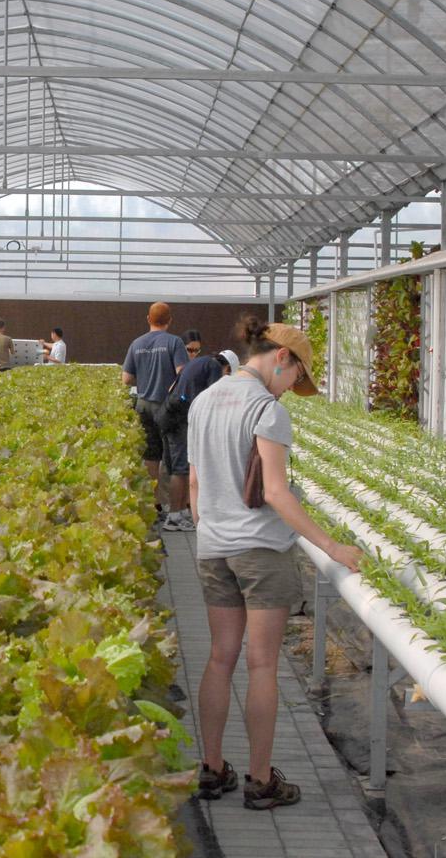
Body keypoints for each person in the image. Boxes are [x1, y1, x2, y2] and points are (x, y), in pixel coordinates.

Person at [186, 316, 363, 810]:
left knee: (220, 657)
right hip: (261, 551)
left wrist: (209, 529)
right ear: (281, 357)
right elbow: (277, 492)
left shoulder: (204, 400)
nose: (291, 390)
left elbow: (195, 483)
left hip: (213, 547)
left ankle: (212, 767)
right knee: (262, 664)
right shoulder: (266, 410)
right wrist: (332, 547)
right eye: (296, 378)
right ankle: (261, 780)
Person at [122, 302, 188, 525]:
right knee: (177, 459)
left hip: (143, 405)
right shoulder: (174, 342)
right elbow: (182, 374)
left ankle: (155, 506)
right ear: (170, 320)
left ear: (148, 319)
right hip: (167, 407)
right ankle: (177, 513)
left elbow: (126, 379)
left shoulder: (136, 343)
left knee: (151, 457)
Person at [157, 344, 235, 532]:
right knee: (181, 468)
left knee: (179, 467)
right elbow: (213, 397)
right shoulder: (214, 368)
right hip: (180, 420)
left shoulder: (200, 362)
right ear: (228, 368)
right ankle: (174, 516)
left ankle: (182, 511)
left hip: (169, 414)